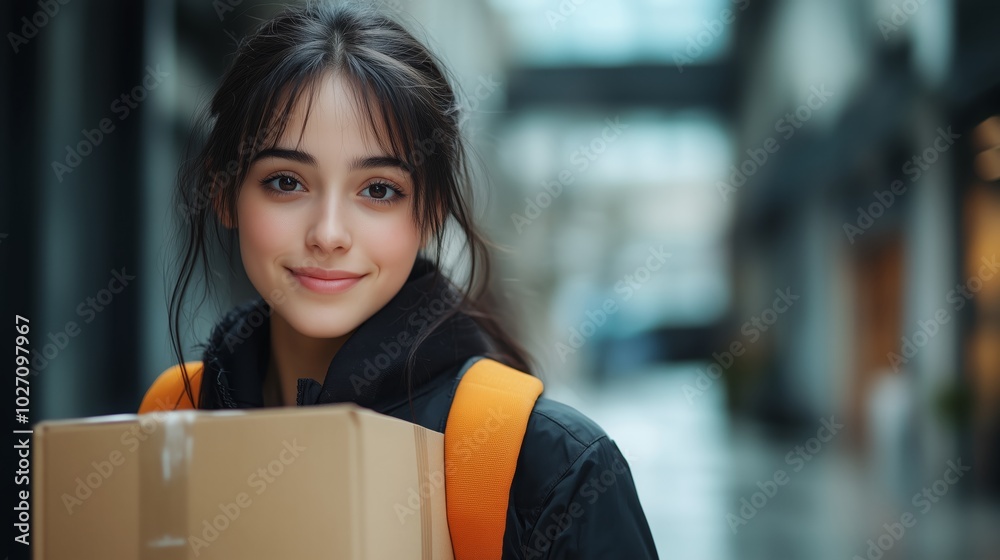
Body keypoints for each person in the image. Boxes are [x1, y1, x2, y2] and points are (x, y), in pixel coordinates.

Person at [143, 2, 658, 558]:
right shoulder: (169, 422)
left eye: (379, 190)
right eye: (287, 181)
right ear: (224, 194)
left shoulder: (551, 466)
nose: (329, 233)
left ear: (431, 212)